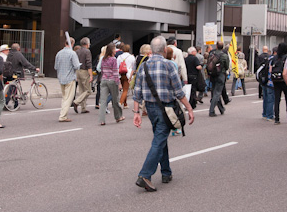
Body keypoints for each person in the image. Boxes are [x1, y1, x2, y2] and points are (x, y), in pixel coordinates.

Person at [132, 36, 194, 191]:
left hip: (150, 108)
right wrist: (189, 109)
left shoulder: (143, 66)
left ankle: (166, 172)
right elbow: (179, 91)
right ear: (165, 50)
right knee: (159, 141)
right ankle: (145, 175)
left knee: (161, 138)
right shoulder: (169, 65)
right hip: (166, 108)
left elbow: (137, 91)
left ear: (152, 50)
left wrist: (136, 112)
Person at [55, 37, 80, 123]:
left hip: (61, 77)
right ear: (72, 44)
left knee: (64, 97)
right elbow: (76, 66)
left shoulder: (59, 53)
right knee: (68, 98)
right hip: (70, 78)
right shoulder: (72, 53)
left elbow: (56, 66)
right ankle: (62, 116)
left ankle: (63, 114)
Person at [98, 44, 124, 125]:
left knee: (103, 101)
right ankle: (118, 116)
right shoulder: (113, 59)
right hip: (112, 80)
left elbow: (102, 70)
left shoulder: (103, 59)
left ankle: (102, 120)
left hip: (104, 80)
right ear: (112, 50)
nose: (115, 50)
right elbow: (115, 72)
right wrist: (119, 83)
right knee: (115, 100)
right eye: (114, 49)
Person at [207, 41, 229, 117]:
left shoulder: (211, 54)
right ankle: (211, 111)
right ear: (222, 47)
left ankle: (221, 109)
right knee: (217, 93)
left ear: (216, 46)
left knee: (215, 92)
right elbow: (227, 67)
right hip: (221, 75)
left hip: (212, 75)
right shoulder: (224, 55)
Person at [73, 38, 93, 114]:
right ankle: (76, 102)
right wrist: (91, 75)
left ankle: (83, 108)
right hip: (84, 71)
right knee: (88, 90)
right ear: (87, 44)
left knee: (81, 90)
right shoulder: (87, 51)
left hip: (78, 71)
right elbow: (88, 63)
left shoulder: (77, 51)